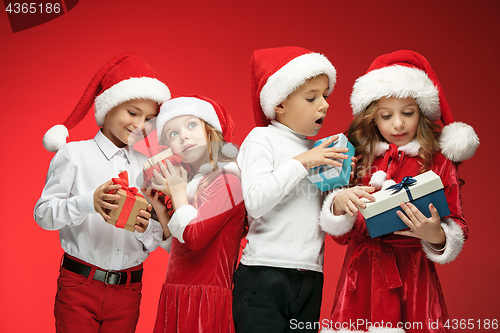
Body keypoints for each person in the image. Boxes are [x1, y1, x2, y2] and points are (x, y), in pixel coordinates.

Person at [319, 50, 479, 333]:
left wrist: (437, 235)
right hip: (361, 278)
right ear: (372, 117)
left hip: (413, 278)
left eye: (408, 113)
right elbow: (342, 236)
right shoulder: (355, 156)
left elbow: (458, 223)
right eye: (386, 115)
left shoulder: (437, 160)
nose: (398, 124)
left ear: (421, 112)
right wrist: (338, 205)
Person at [34, 52, 170, 333]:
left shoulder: (148, 165)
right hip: (79, 286)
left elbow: (156, 237)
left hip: (129, 290)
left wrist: (145, 228)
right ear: (108, 107)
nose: (139, 125)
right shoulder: (74, 155)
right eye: (132, 112)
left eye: (150, 118)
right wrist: (88, 202)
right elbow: (43, 214)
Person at [232, 46, 347, 333]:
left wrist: (341, 187)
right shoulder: (262, 138)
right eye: (311, 97)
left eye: (325, 95)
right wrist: (302, 162)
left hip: (310, 275)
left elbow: (327, 221)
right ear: (279, 104)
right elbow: (255, 203)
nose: (324, 105)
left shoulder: (317, 150)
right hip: (264, 272)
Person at [142, 95, 246, 333]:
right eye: (173, 134)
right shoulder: (193, 186)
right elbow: (180, 248)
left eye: (191, 125)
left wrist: (177, 191)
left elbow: (195, 237)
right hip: (176, 292)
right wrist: (160, 208)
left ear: (210, 131)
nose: (183, 136)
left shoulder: (228, 181)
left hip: (204, 299)